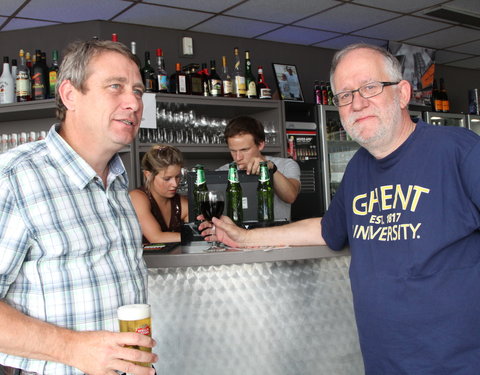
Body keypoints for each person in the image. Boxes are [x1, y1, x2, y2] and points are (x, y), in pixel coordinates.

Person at [201, 43, 480, 374]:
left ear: (402, 93)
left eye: (370, 87)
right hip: (384, 361)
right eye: (344, 95)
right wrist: (245, 239)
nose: (357, 102)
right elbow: (328, 228)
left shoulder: (459, 151)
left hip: (459, 362)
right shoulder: (358, 168)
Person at [0, 40, 157, 375]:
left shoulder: (116, 181)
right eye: (115, 87)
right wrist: (71, 348)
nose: (133, 103)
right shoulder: (14, 177)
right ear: (70, 95)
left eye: (138, 91)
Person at [217, 116, 301, 222]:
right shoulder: (222, 172)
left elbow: (290, 196)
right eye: (233, 151)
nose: (238, 157)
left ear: (260, 145)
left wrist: (271, 169)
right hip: (236, 237)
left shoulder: (286, 165)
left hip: (276, 236)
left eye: (244, 150)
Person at [130, 144, 188, 244]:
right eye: (167, 179)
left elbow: (201, 233)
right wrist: (193, 236)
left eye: (177, 177)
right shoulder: (137, 198)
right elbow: (156, 238)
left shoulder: (182, 203)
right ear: (148, 175)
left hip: (176, 259)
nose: (174, 184)